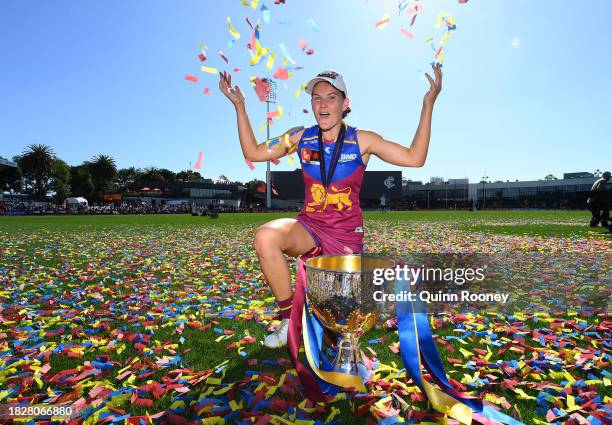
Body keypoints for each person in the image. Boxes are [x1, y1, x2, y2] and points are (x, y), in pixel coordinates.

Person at [219, 66, 442, 347]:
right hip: (310, 228)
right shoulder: (300, 137)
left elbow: (415, 157)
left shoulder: (363, 140)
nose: (323, 104)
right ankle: (291, 321)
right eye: (317, 98)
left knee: (339, 330)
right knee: (265, 237)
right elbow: (253, 153)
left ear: (345, 104)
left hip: (345, 237)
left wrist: (428, 103)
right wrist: (239, 106)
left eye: (331, 97)